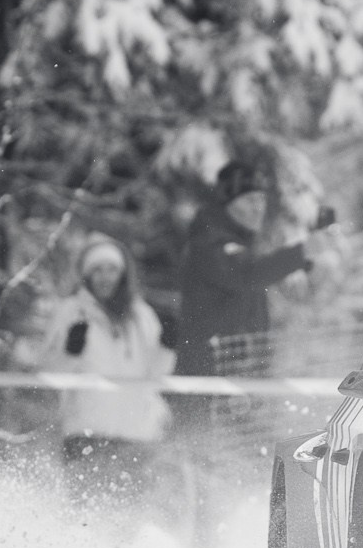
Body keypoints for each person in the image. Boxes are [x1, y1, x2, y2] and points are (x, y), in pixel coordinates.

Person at [24, 235, 175, 500]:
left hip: (137, 434)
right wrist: (70, 351)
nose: (105, 277)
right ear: (87, 275)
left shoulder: (141, 315)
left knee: (133, 514)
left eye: (112, 270)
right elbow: (51, 373)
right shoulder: (71, 311)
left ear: (123, 274)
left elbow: (156, 375)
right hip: (87, 431)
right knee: (87, 510)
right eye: (98, 270)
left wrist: (167, 346)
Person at [172, 161, 324, 376]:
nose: (258, 207)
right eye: (250, 199)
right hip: (208, 378)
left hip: (238, 374)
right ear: (227, 203)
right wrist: (299, 254)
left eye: (262, 199)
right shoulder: (208, 243)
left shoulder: (241, 244)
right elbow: (247, 274)